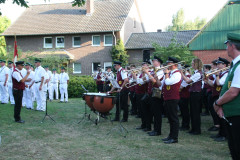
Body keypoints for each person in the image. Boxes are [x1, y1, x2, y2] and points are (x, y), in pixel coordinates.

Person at [214, 33, 240, 160]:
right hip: (233, 115)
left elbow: (233, 91)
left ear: (232, 46)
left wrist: (218, 103)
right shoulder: (235, 65)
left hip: (238, 115)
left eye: (227, 45)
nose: (226, 48)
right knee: (234, 148)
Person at [206, 57, 229, 142]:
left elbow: (219, 83)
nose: (218, 66)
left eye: (219, 64)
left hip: (221, 95)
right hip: (216, 94)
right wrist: (207, 79)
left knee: (222, 116)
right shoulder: (220, 73)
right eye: (218, 64)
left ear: (225, 65)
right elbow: (213, 84)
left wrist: (216, 75)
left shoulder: (226, 73)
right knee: (217, 115)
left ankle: (224, 135)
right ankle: (220, 133)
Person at [161, 57, 182, 144]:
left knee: (174, 118)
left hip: (173, 98)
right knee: (170, 118)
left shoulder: (177, 74)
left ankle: (174, 138)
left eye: (169, 63)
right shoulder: (171, 73)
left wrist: (166, 74)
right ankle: (170, 135)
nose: (167, 65)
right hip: (168, 98)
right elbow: (163, 84)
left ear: (175, 65)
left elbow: (168, 82)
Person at [181, 58, 203, 135]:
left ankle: (197, 130)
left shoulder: (198, 74)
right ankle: (193, 128)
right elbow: (188, 80)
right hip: (193, 93)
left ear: (196, 64)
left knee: (195, 112)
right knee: (193, 112)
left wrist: (182, 74)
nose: (191, 65)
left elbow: (188, 81)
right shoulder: (195, 73)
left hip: (196, 94)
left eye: (193, 63)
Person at [134, 61, 150, 131]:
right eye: (142, 66)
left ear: (147, 67)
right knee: (141, 110)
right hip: (139, 93)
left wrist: (144, 72)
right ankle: (143, 124)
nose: (143, 67)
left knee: (146, 111)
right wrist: (134, 74)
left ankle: (147, 125)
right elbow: (137, 81)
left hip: (144, 93)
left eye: (144, 66)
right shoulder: (141, 73)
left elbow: (143, 81)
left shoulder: (148, 73)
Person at [179, 65, 191, 131]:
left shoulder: (187, 76)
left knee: (185, 111)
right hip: (182, 95)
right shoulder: (184, 77)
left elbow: (181, 87)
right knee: (183, 111)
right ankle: (184, 124)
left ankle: (186, 125)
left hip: (185, 96)